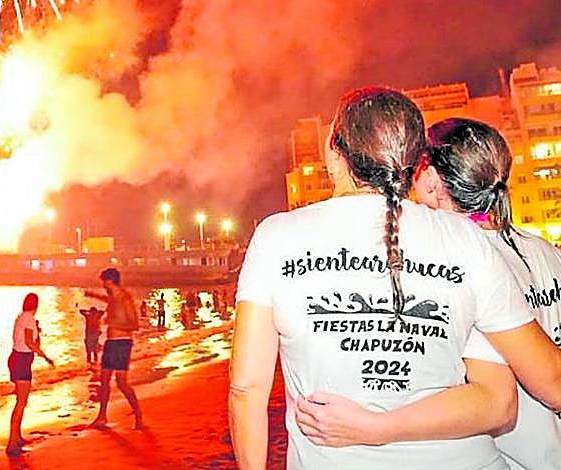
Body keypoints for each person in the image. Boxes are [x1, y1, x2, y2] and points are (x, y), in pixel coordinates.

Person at [230, 86, 561, 470]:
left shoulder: (278, 236)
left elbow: (246, 389)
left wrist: (377, 427)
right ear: (415, 162)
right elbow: (503, 401)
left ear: (334, 154)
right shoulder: (465, 238)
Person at [84, 267, 143, 429]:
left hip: (122, 343)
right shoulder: (113, 298)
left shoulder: (125, 299)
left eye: (103, 281)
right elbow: (108, 299)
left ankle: (138, 415)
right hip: (111, 343)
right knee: (103, 381)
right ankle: (102, 417)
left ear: (110, 281)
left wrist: (112, 323)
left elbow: (135, 325)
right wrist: (92, 295)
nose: (102, 285)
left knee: (122, 383)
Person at [6, 292, 54, 456]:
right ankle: (12, 441)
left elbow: (29, 340)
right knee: (21, 403)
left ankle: (17, 436)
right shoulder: (28, 319)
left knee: (21, 401)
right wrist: (45, 356)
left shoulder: (23, 317)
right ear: (36, 304)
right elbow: (29, 342)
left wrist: (37, 333)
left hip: (18, 359)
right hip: (21, 360)